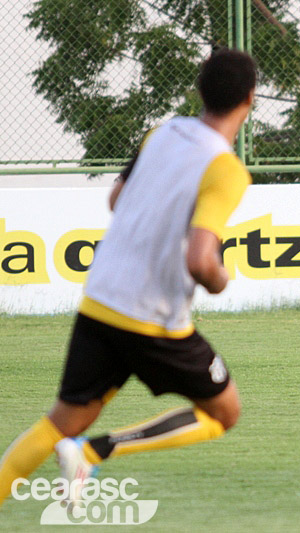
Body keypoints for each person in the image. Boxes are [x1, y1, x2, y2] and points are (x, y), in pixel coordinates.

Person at [0, 48, 257, 507]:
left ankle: (74, 450)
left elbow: (117, 199)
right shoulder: (226, 170)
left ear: (199, 91)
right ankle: (95, 450)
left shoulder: (161, 133)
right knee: (224, 412)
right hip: (153, 320)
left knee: (57, 423)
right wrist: (221, 279)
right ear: (250, 100)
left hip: (101, 299)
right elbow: (202, 261)